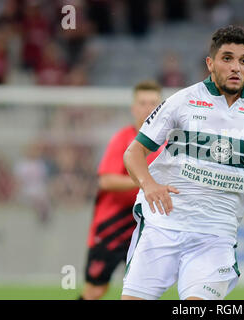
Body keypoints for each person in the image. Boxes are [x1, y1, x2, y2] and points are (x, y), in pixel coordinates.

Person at [121, 25, 244, 300]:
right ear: (210, 63)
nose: (236, 67)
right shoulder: (182, 101)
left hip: (215, 237)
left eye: (243, 61)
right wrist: (148, 184)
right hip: (163, 226)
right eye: (227, 58)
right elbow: (133, 152)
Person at [79, 80, 165, 300]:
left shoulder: (167, 143)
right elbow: (106, 181)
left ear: (161, 107)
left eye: (153, 103)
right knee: (95, 290)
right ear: (133, 108)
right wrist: (146, 182)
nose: (147, 108)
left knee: (144, 290)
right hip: (112, 226)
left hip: (146, 225)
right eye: (142, 103)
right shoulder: (123, 139)